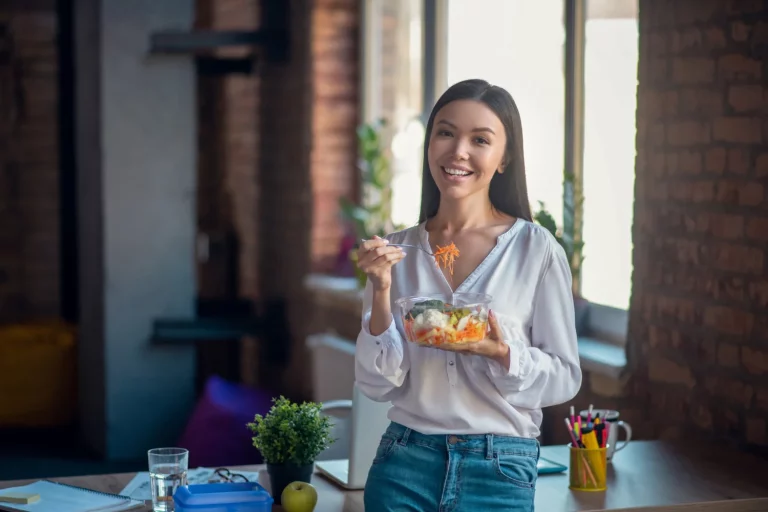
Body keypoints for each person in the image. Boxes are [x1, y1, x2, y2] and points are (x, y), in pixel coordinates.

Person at [354, 78, 582, 512]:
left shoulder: (535, 249)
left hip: (499, 467)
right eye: (445, 132)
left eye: (480, 139)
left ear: (504, 158)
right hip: (404, 459)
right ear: (429, 144)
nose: (458, 150)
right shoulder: (396, 252)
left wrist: (502, 353)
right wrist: (381, 289)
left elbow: (564, 377)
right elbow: (375, 384)